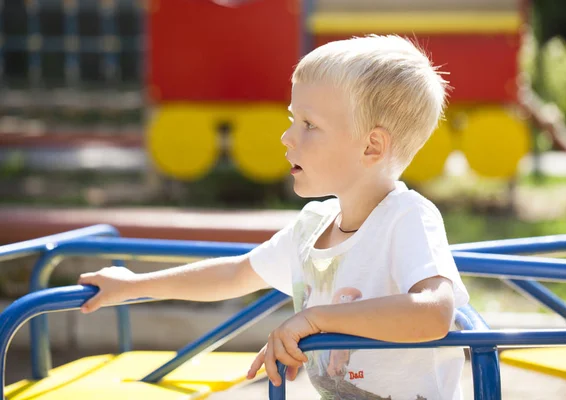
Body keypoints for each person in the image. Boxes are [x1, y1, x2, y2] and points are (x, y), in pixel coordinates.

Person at [78, 34, 469, 400]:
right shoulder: (313, 227)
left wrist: (316, 320)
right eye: (292, 119)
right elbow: (235, 274)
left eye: (309, 125)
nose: (287, 137)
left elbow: (433, 311)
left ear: (371, 146)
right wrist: (133, 285)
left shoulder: (406, 218)